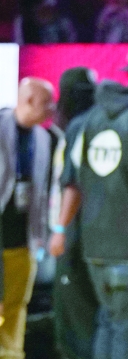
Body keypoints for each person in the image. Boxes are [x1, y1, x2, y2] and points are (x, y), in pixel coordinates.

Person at [50, 43, 128, 359]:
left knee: (106, 324)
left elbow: (71, 183)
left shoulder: (87, 120)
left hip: (94, 249)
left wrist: (60, 230)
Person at [0, 78, 54, 359]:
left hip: (24, 237)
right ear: (29, 100)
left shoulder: (45, 138)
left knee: (18, 302)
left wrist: (43, 234)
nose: (53, 109)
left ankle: (11, 352)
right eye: (48, 102)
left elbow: (43, 192)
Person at [50, 67, 100, 359]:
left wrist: (59, 230)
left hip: (73, 232)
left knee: (75, 323)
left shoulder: (79, 127)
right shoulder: (89, 124)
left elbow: (73, 186)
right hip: (90, 231)